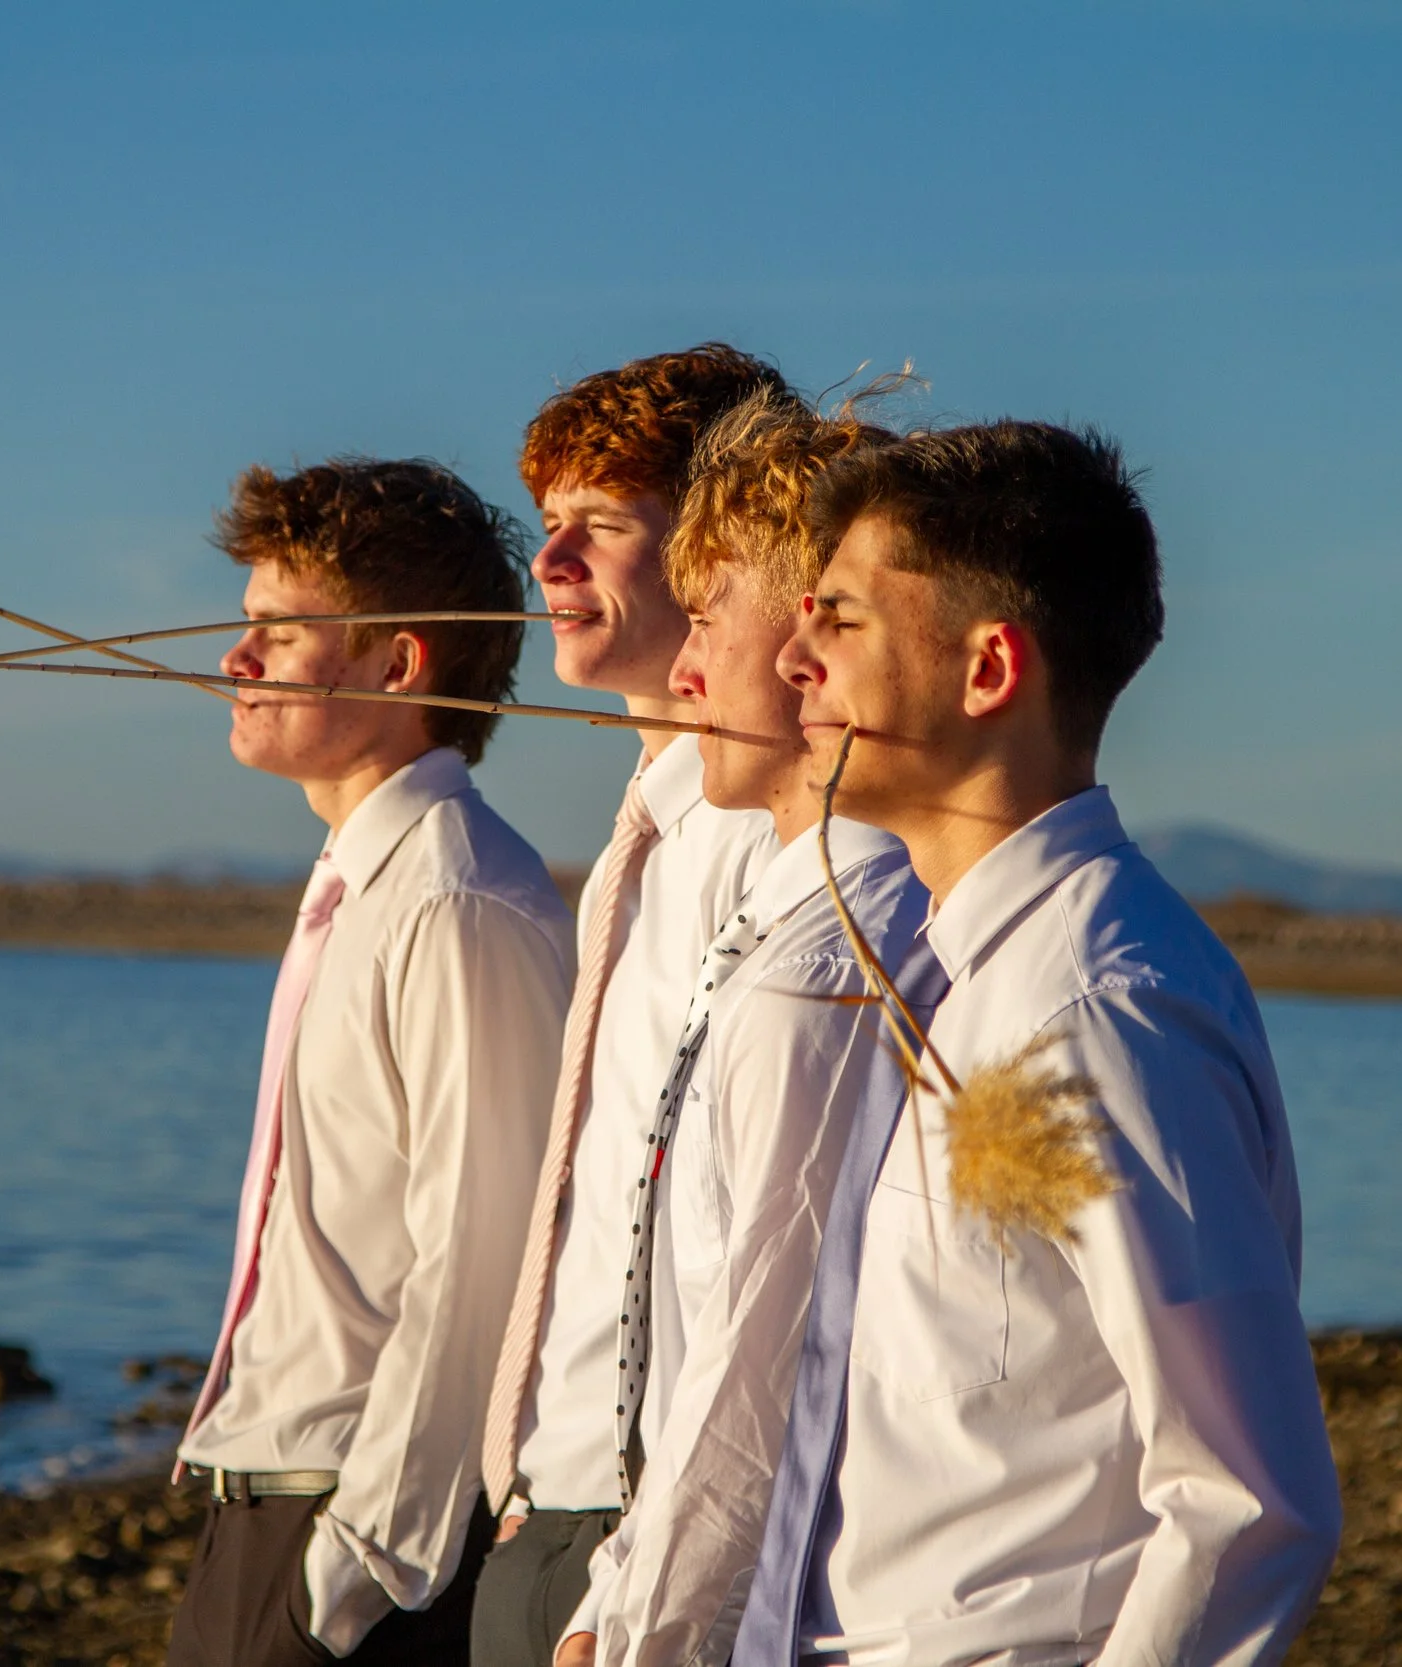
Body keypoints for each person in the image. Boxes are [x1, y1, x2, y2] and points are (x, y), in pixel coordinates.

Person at [738, 423, 1344, 1667]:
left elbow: (1244, 1501)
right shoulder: (961, 971)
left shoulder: (1096, 1009)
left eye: (840, 619)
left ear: (988, 667)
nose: (791, 658)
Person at [167, 458, 575, 1667]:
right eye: (246, 630)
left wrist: (349, 1580)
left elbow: (481, 1260)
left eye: (276, 634)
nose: (234, 664)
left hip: (344, 1543)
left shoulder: (458, 901)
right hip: (265, 1504)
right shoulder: (361, 880)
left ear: (400, 664)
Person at [558, 388, 931, 1667]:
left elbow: (757, 1347)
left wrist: (640, 1622)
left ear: (806, 651)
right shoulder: (789, 924)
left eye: (704, 610)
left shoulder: (828, 958)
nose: (679, 663)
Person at [473, 345, 790, 1667]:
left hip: (656, 1535)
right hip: (543, 1505)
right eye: (548, 527)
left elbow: (757, 1246)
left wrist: (648, 1563)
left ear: (716, 548)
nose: (549, 564)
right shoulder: (634, 834)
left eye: (599, 526)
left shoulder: (772, 845)